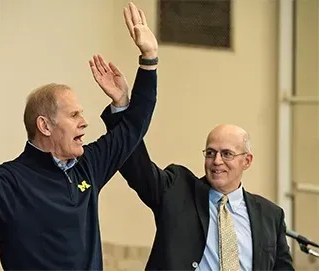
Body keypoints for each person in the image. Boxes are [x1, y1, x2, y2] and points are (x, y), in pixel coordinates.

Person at [0, 2, 158, 269]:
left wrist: (149, 60)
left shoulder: (88, 167)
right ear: (45, 125)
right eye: (74, 115)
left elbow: (133, 128)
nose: (85, 123)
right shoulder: (12, 180)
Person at [99, 5, 294, 270]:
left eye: (227, 154)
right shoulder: (177, 191)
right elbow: (136, 166)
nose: (216, 161)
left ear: (247, 161)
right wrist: (124, 103)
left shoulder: (270, 215)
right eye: (211, 152)